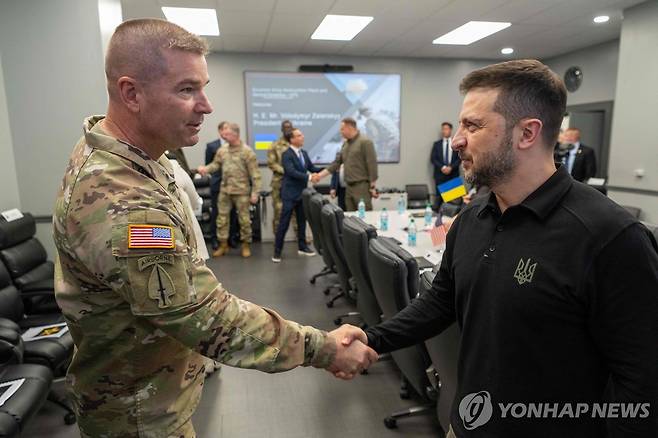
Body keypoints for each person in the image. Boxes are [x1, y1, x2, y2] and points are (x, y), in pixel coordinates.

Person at [53, 19, 378, 438]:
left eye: (202, 87)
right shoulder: (124, 199)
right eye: (187, 89)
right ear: (131, 93)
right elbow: (202, 315)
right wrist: (324, 348)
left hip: (147, 398)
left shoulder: (136, 159)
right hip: (138, 419)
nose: (206, 105)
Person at [343, 60, 658, 437]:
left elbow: (642, 380)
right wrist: (374, 338)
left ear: (527, 133)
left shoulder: (609, 236)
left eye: (473, 126)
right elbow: (441, 301)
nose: (457, 140)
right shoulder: (474, 216)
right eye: (460, 124)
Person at [198, 123, 261, 258]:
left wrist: (255, 193)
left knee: (244, 220)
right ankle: (223, 245)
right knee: (222, 219)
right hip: (225, 191)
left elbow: (255, 174)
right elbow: (215, 165)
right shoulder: (223, 150)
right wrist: (205, 169)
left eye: (227, 134)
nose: (224, 136)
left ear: (235, 134)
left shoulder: (247, 152)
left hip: (242, 192)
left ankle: (245, 245)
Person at [272, 128, 322, 262]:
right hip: (289, 194)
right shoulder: (286, 154)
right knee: (284, 223)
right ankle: (277, 252)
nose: (302, 137)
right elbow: (291, 172)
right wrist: (310, 177)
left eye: (302, 134)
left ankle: (302, 246)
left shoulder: (304, 153)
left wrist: (327, 170)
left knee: (302, 222)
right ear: (292, 139)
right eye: (299, 135)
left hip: (302, 194)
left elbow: (312, 168)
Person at [315, 118, 378, 211]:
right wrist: (319, 176)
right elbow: (336, 163)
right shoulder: (345, 144)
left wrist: (372, 187)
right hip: (348, 188)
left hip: (362, 187)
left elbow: (372, 165)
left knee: (365, 219)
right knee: (350, 219)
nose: (341, 132)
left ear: (349, 128)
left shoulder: (365, 142)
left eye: (342, 129)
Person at [267, 120, 295, 234]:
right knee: (279, 211)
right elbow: (271, 163)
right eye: (285, 127)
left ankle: (301, 241)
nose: (288, 129)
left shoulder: (296, 144)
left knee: (297, 213)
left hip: (295, 183)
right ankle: (278, 239)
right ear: (282, 129)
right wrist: (287, 171)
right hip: (279, 183)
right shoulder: (275, 145)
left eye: (290, 127)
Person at [205, 121, 228, 250]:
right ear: (220, 131)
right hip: (217, 183)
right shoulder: (212, 146)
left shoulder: (234, 145)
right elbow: (209, 164)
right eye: (224, 129)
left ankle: (231, 239)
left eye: (228, 129)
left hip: (232, 184)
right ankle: (215, 239)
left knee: (231, 213)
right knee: (216, 212)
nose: (227, 132)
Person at [431, 122, 461, 209]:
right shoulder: (437, 144)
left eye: (446, 129)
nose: (444, 131)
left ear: (450, 130)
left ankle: (452, 221)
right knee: (439, 202)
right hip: (440, 176)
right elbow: (433, 159)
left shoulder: (456, 143)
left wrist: (451, 167)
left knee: (454, 203)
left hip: (453, 175)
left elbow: (460, 158)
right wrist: (443, 167)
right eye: (443, 129)